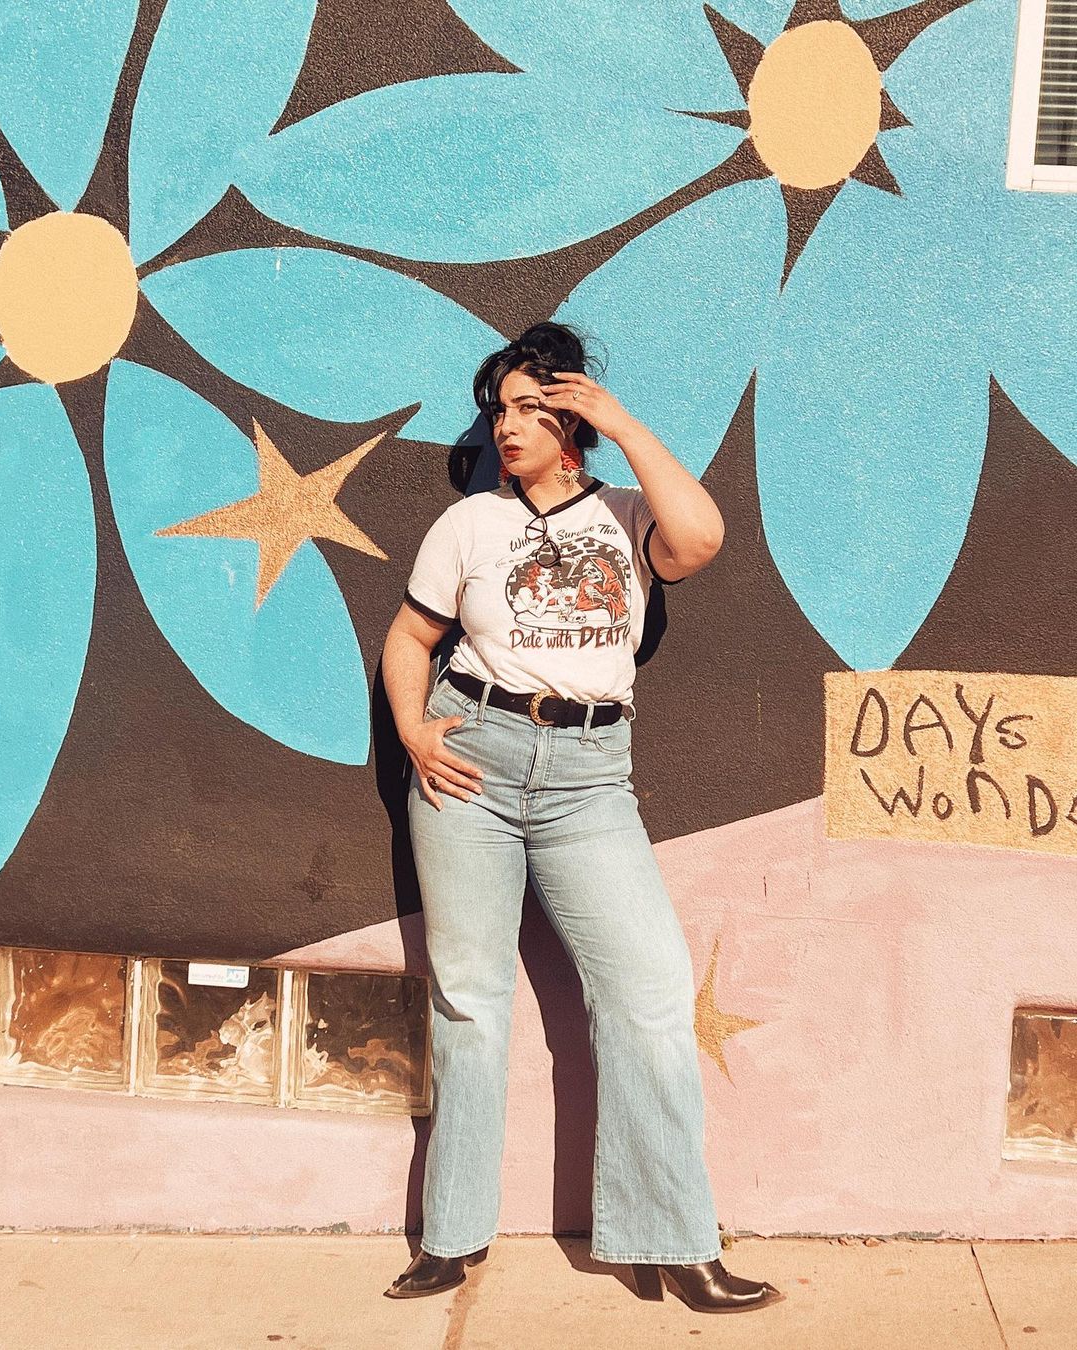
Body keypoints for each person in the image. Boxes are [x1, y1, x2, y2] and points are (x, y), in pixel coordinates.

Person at [380, 323, 783, 1315]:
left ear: (573, 424)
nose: (507, 427)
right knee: (471, 1002)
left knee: (650, 994)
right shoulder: (469, 525)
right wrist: (414, 731)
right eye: (499, 411)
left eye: (531, 408)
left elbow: (702, 539)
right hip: (471, 759)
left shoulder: (630, 515)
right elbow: (410, 637)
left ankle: (675, 1242)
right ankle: (451, 1237)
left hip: (591, 779)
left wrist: (622, 423)